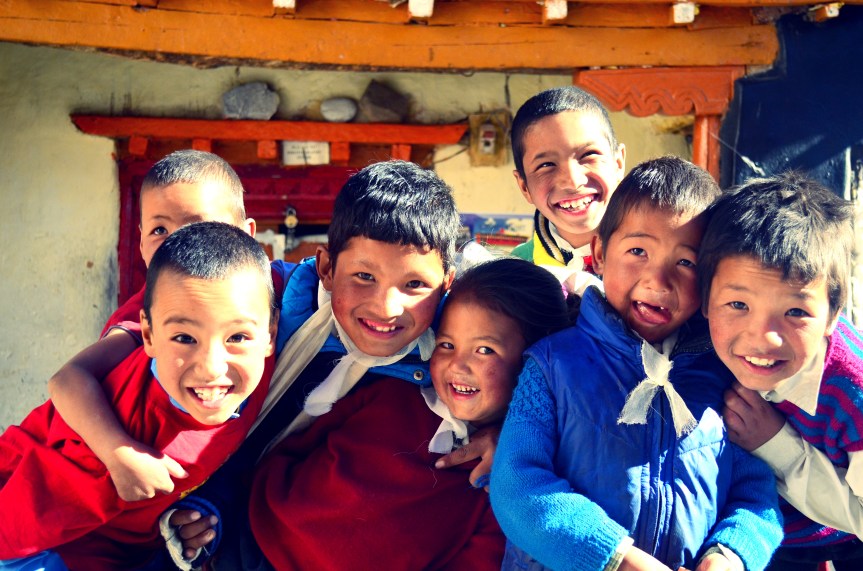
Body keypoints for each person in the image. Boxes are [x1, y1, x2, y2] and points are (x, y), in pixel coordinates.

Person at [490, 156, 784, 571]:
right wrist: (616, 558)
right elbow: (517, 487)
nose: (657, 281)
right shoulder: (553, 364)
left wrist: (730, 556)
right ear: (599, 254)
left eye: (687, 262)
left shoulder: (725, 376)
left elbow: (756, 495)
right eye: (637, 251)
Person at [248, 257, 574, 570]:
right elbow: (294, 444)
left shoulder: (503, 480)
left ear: (533, 364)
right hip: (254, 539)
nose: (457, 365)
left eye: (485, 350)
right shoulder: (393, 390)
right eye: (446, 344)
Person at [0, 222, 277, 571]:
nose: (211, 367)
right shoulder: (125, 417)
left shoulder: (265, 344)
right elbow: (28, 510)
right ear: (148, 334)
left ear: (271, 334)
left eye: (237, 337)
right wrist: (120, 456)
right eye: (184, 338)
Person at [48, 149, 260, 503]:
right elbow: (67, 380)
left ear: (246, 234)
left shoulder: (267, 291)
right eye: (160, 229)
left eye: (197, 226)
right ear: (143, 243)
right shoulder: (144, 313)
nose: (177, 243)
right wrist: (121, 454)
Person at [698, 172, 863, 571]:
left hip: (837, 545)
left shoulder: (852, 392)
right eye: (737, 305)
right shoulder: (694, 349)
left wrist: (774, 443)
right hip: (748, 537)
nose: (763, 339)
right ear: (703, 299)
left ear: (832, 316)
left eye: (795, 312)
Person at [509, 85, 626, 280]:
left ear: (618, 163)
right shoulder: (516, 273)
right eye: (546, 165)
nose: (573, 181)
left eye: (589, 155)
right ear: (524, 187)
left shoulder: (653, 258)